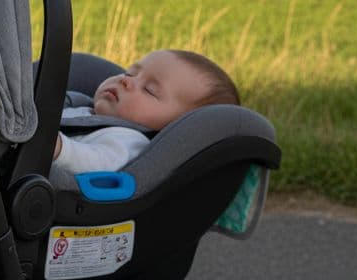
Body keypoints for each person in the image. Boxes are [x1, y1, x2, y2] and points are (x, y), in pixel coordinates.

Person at [50, 49, 240, 186]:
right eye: (130, 72)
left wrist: (56, 147)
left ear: (173, 127)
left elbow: (98, 164)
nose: (126, 81)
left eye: (149, 90)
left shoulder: (130, 141)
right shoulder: (80, 106)